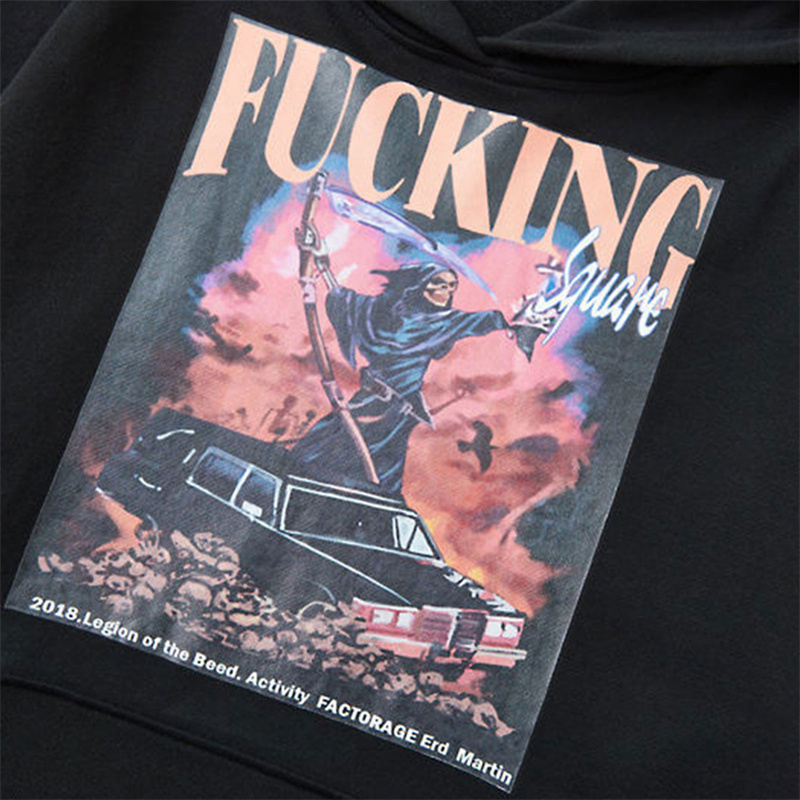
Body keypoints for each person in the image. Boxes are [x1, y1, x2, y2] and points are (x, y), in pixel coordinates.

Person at [291, 262, 548, 496]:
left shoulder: (444, 322)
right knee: (319, 448)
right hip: (366, 402)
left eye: (452, 286)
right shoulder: (383, 313)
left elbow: (488, 320)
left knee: (381, 474)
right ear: (421, 285)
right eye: (440, 284)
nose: (447, 291)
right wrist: (321, 265)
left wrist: (523, 321)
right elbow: (348, 303)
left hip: (396, 413)